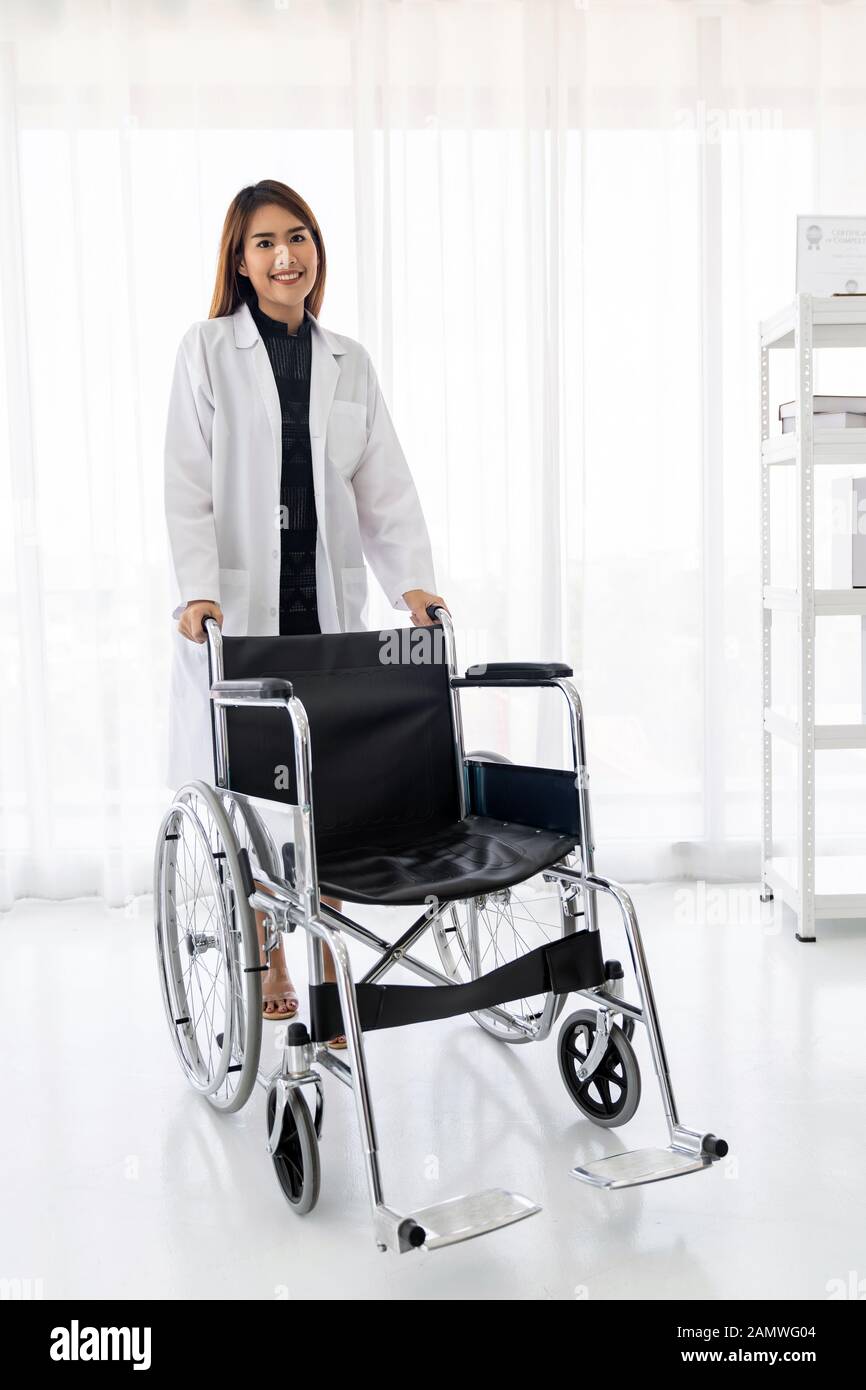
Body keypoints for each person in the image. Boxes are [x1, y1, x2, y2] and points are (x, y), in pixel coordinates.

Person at [164, 178, 449, 1044]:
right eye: (264, 243)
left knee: (325, 791)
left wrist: (413, 585)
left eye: (298, 237)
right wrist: (199, 588)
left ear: (316, 249)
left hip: (321, 609)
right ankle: (271, 953)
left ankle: (328, 957)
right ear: (239, 262)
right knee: (252, 792)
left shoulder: (348, 361)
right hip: (237, 612)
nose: (285, 255)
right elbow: (187, 481)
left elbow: (383, 484)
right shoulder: (207, 350)